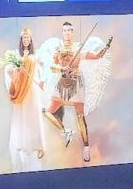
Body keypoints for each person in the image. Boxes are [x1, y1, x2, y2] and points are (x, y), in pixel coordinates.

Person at [41, 21, 113, 163]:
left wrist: (105, 48)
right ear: (62, 32)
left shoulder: (79, 48)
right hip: (61, 84)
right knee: (47, 112)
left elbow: (95, 56)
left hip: (76, 84)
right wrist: (61, 69)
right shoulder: (58, 49)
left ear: (72, 32)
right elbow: (52, 67)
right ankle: (65, 131)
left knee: (80, 117)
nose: (67, 33)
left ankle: (86, 146)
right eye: (65, 30)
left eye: (69, 30)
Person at [0, 26, 46, 172]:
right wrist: (14, 70)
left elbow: (41, 69)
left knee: (33, 115)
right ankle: (22, 143)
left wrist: (42, 81)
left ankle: (36, 144)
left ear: (31, 40)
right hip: (22, 91)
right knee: (22, 115)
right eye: (24, 38)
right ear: (21, 40)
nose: (26, 40)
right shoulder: (16, 55)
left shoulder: (35, 55)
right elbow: (11, 71)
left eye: (28, 38)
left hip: (32, 90)